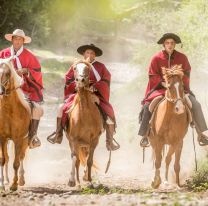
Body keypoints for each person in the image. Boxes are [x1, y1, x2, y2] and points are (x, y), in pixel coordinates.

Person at [138, 33, 208, 147]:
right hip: (160, 89)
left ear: (175, 44)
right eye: (167, 43)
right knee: (148, 106)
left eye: (172, 43)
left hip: (179, 90)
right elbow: (152, 75)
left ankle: (200, 134)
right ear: (164, 44)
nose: (170, 45)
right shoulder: (156, 58)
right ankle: (145, 135)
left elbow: (186, 73)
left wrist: (179, 84)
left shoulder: (182, 58)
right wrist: (163, 83)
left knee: (195, 104)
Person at [47, 44, 120, 151]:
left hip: (95, 95)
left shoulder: (101, 67)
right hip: (78, 94)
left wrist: (95, 87)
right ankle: (58, 133)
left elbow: (106, 80)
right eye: (87, 52)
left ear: (95, 55)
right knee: (61, 108)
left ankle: (109, 141)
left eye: (92, 53)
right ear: (83, 54)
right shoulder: (76, 65)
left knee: (110, 111)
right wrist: (77, 86)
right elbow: (68, 79)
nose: (90, 55)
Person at [0, 29, 44, 149]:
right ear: (12, 39)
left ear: (23, 41)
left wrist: (26, 71)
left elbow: (37, 72)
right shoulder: (3, 54)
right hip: (4, 88)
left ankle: (32, 136)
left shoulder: (30, 56)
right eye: (15, 38)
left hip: (25, 89)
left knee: (37, 108)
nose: (17, 41)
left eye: (20, 39)